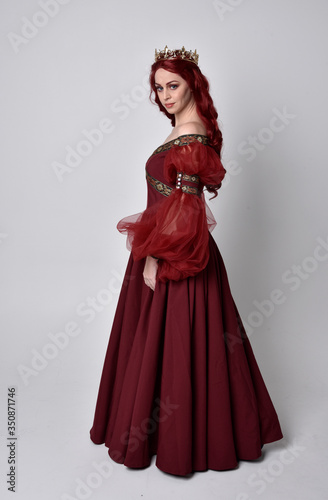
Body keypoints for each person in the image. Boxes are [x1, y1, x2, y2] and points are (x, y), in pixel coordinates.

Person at [89, 45, 283, 477]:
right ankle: (166, 433)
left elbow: (188, 209)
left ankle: (187, 440)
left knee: (180, 343)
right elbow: (171, 201)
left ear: (193, 83)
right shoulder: (182, 133)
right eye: (158, 88)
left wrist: (155, 258)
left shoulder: (192, 136)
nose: (165, 95)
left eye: (172, 85)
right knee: (171, 344)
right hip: (163, 245)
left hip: (180, 253)